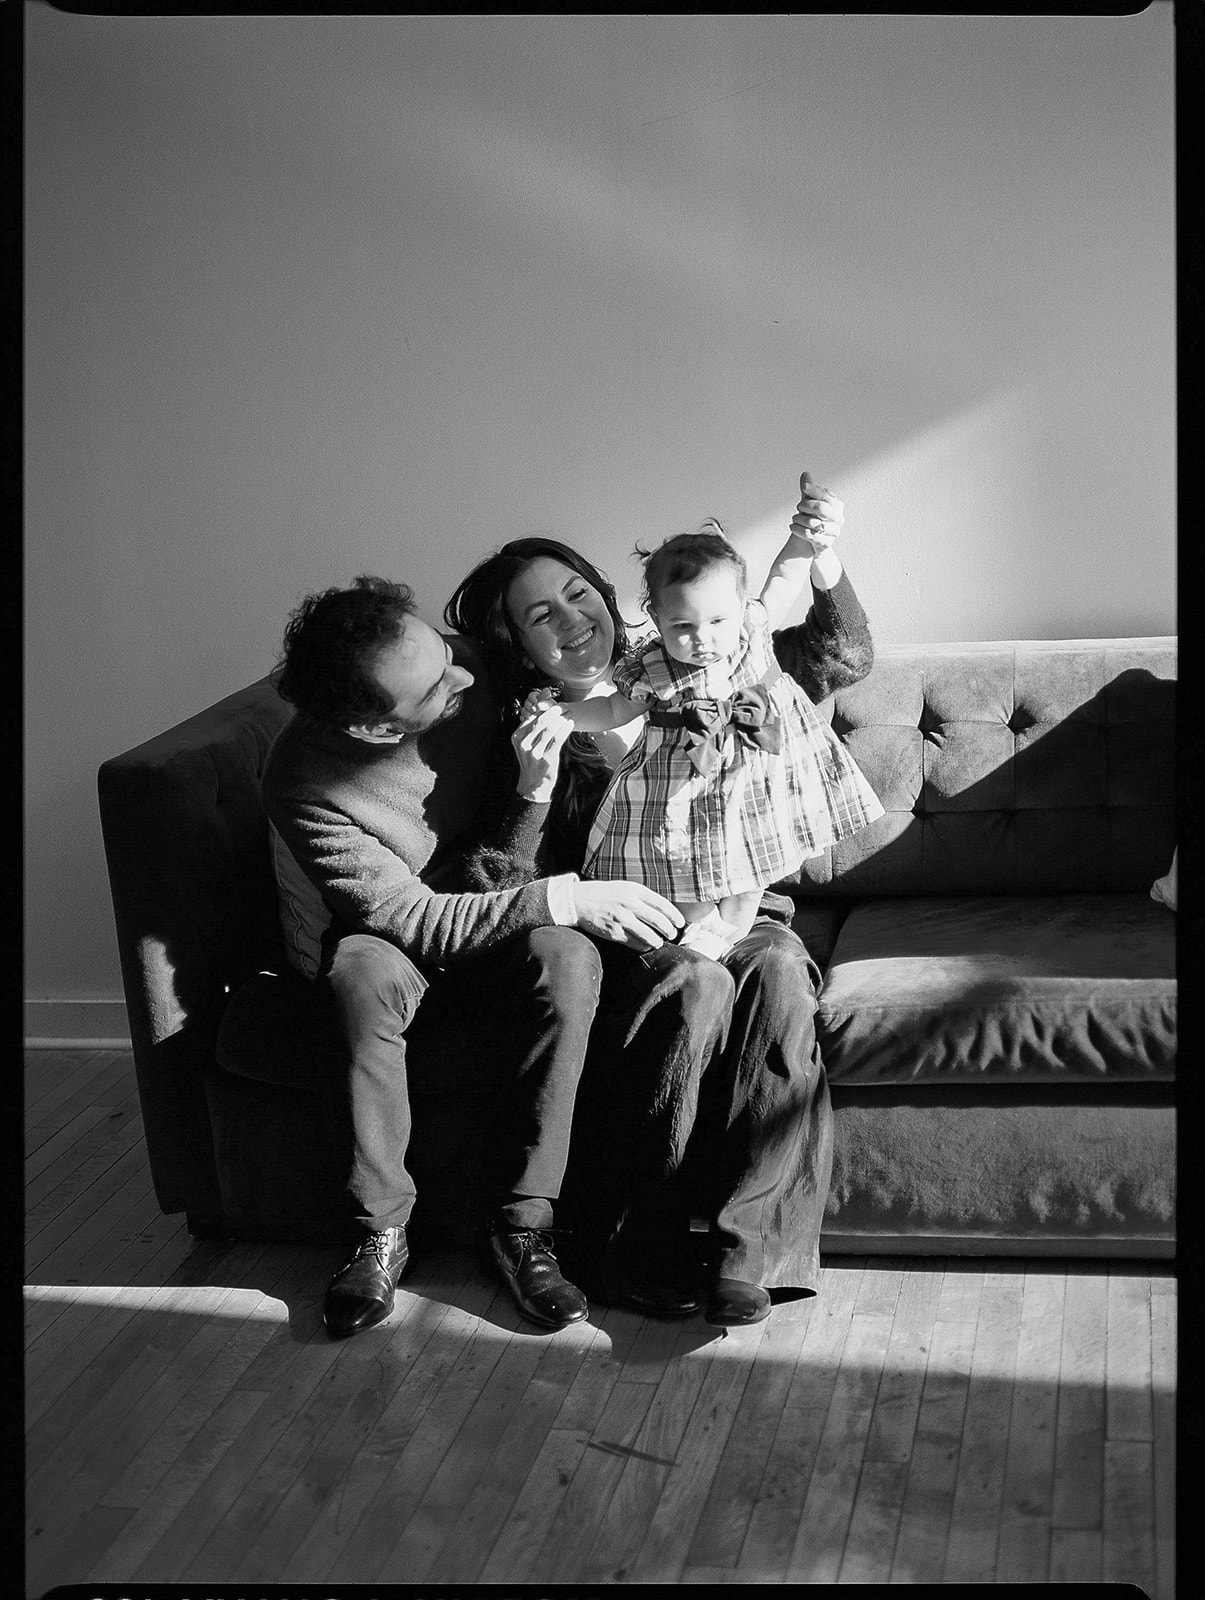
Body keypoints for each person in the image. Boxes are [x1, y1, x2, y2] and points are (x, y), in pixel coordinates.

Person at [443, 473, 879, 1326]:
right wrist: (534, 792)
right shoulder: (545, 726)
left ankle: (750, 1257)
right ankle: (634, 1247)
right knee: (695, 982)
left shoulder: (708, 643)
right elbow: (494, 884)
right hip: (632, 927)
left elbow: (845, 654)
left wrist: (819, 552)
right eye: (541, 617)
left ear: (610, 598)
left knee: (782, 977)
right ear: (517, 646)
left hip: (741, 908)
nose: (572, 622)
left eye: (577, 595)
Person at [262, 575, 684, 1339]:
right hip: (401, 931)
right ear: (371, 730)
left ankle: (521, 1227)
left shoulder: (472, 664)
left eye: (445, 651)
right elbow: (407, 918)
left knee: (566, 959)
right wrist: (567, 897)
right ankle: (378, 1230)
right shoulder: (302, 782)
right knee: (356, 978)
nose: (463, 673)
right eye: (436, 685)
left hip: (501, 895)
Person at [533, 473, 883, 956]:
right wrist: (568, 715)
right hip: (682, 783)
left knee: (754, 858)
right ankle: (699, 925)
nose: (702, 638)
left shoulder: (752, 628)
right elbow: (614, 708)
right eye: (683, 625)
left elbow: (784, 576)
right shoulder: (652, 666)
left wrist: (805, 538)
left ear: (740, 607)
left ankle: (735, 925)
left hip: (757, 770)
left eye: (717, 620)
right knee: (676, 858)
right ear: (655, 618)